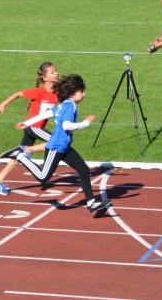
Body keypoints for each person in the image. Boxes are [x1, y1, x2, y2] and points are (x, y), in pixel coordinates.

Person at [14, 74, 105, 215]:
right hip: (56, 147)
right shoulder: (69, 106)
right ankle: (20, 156)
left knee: (83, 169)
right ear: (73, 93)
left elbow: (46, 114)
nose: (84, 94)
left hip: (65, 146)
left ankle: (91, 202)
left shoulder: (64, 104)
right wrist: (86, 123)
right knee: (43, 177)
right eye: (81, 91)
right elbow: (66, 125)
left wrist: (27, 123)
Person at [0, 62, 59, 196]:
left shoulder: (56, 92)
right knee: (56, 141)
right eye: (52, 72)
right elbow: (18, 94)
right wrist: (2, 105)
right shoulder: (39, 91)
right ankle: (29, 152)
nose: (56, 73)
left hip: (37, 129)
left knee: (20, 156)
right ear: (45, 78)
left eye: (56, 71)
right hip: (31, 127)